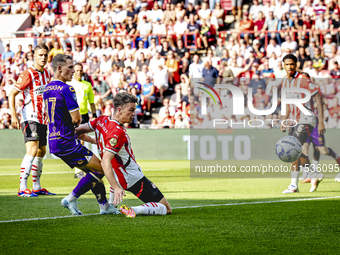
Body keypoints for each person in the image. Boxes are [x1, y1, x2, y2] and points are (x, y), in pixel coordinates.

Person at [43, 54, 122, 215]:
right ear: (59, 68)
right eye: (70, 67)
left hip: (54, 139)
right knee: (100, 169)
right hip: (66, 142)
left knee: (92, 172)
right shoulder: (67, 88)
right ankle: (71, 199)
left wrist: (90, 139)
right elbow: (76, 119)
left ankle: (104, 206)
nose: (73, 71)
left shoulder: (47, 89)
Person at [75, 92, 172, 217]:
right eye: (131, 110)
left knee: (115, 167)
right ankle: (132, 210)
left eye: (134, 110)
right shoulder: (118, 132)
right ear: (119, 110)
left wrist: (92, 140)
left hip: (117, 175)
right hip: (132, 177)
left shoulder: (101, 120)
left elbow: (77, 131)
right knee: (166, 208)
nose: (134, 114)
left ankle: (110, 206)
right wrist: (116, 187)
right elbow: (105, 162)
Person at [8, 44, 54, 197]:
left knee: (41, 151)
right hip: (30, 117)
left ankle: (37, 187)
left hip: (43, 118)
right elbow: (12, 94)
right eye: (40, 55)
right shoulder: (28, 74)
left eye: (45, 55)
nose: (43, 58)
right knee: (32, 149)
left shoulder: (47, 74)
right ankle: (22, 188)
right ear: (34, 56)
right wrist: (14, 115)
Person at [280, 54, 325, 194]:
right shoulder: (285, 82)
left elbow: (318, 98)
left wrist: (321, 121)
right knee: (294, 152)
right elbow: (288, 104)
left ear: (296, 64)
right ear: (283, 65)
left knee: (294, 148)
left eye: (292, 64)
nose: (289, 67)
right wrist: (285, 119)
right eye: (287, 64)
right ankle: (296, 184)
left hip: (306, 118)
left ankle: (305, 179)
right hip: (294, 120)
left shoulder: (303, 79)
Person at [68, 63, 97, 178]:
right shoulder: (69, 84)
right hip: (72, 115)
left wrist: (94, 114)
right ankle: (78, 168)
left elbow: (91, 102)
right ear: (73, 71)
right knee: (76, 141)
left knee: (82, 141)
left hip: (84, 115)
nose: (79, 73)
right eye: (77, 70)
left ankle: (79, 168)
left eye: (80, 70)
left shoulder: (87, 85)